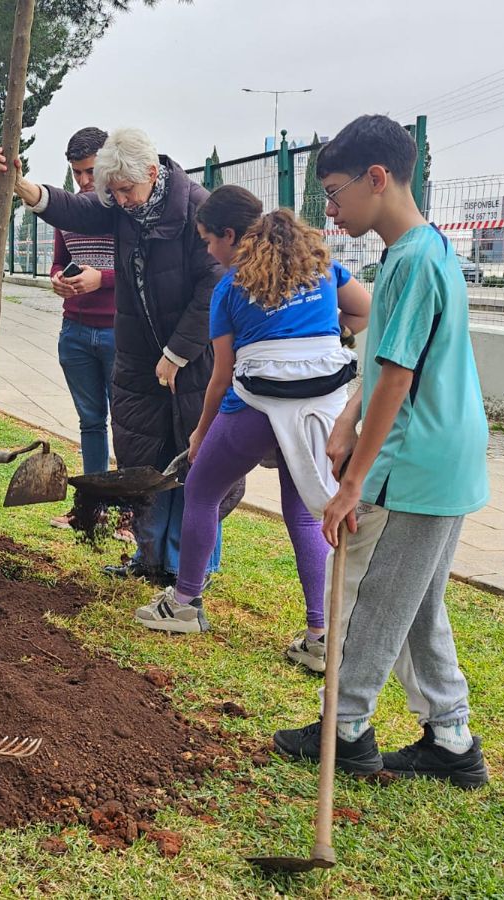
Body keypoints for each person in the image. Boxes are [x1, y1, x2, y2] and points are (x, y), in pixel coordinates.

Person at [274, 115, 490, 788]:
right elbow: (384, 359)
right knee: (415, 600)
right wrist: (346, 418)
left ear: (378, 178)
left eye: (335, 193)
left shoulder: (416, 260)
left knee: (373, 599)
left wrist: (350, 484)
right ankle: (451, 737)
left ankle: (346, 728)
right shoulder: (414, 253)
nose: (330, 210)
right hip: (443, 456)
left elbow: (398, 377)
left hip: (416, 463)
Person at [0, 128, 241, 584]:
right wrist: (27, 188)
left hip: (196, 358)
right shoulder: (124, 204)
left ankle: (188, 569)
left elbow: (215, 289)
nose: (121, 201)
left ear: (150, 172)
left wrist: (178, 353)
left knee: (193, 459)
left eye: (126, 190)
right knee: (145, 458)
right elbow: (78, 209)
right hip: (140, 354)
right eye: (114, 192)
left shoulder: (195, 209)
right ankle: (148, 560)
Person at [134, 186, 370, 660]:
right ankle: (322, 638)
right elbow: (362, 311)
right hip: (323, 402)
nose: (207, 250)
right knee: (304, 509)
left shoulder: (229, 288)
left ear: (228, 236)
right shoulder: (321, 265)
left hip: (259, 402)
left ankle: (184, 605)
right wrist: (326, 331)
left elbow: (221, 377)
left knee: (200, 489)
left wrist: (201, 433)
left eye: (206, 240)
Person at [47, 127, 118, 530]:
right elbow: (59, 261)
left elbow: (141, 272)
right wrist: (58, 280)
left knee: (127, 426)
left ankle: (128, 513)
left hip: (117, 332)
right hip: (74, 331)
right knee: (90, 422)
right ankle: (91, 510)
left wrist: (101, 280)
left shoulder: (124, 209)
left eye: (91, 171)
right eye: (78, 174)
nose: (86, 182)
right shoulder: (68, 212)